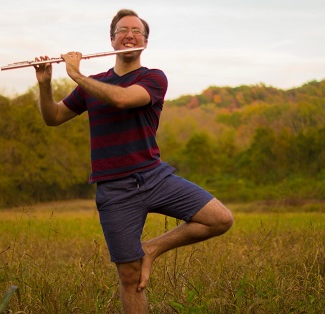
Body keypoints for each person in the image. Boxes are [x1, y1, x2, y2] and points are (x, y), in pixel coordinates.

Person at [34, 9, 234, 314]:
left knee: (220, 218)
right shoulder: (93, 84)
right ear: (112, 39)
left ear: (145, 41)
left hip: (154, 177)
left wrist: (76, 74)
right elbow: (53, 117)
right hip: (114, 189)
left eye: (137, 31)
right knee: (129, 278)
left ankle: (151, 249)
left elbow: (124, 99)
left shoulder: (153, 78)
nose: (130, 35)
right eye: (123, 30)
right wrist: (45, 84)